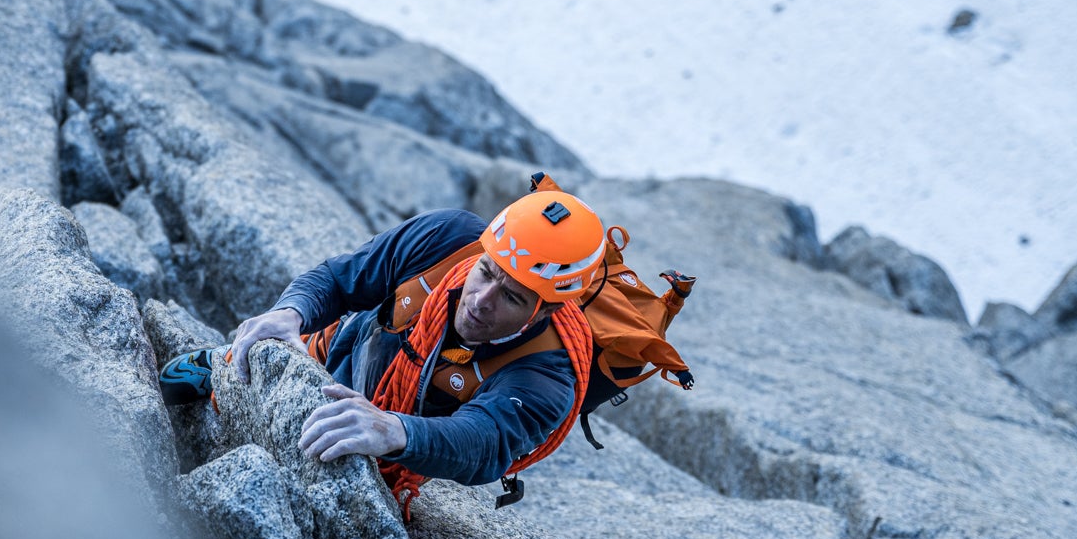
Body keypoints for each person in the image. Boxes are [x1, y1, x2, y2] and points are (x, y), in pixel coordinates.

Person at [162, 185, 685, 493]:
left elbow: (484, 443)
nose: (481, 300)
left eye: (514, 298)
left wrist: (393, 432)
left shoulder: (550, 372)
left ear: (548, 307)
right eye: (487, 272)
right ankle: (225, 364)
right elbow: (345, 277)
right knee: (176, 381)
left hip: (394, 443)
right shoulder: (447, 238)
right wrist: (289, 313)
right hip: (343, 351)